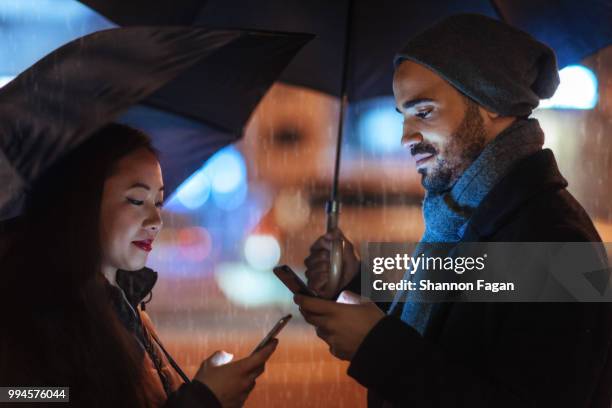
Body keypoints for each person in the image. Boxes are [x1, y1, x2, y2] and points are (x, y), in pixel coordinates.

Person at [295, 14, 612, 407]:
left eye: (423, 112)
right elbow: (448, 334)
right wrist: (354, 284)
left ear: (493, 101)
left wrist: (376, 346)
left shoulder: (555, 239)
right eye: (404, 116)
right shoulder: (467, 219)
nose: (406, 136)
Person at [0, 123, 276, 408]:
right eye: (136, 200)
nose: (156, 220)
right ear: (82, 201)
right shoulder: (36, 314)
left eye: (158, 201)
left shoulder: (125, 303)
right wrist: (203, 400)